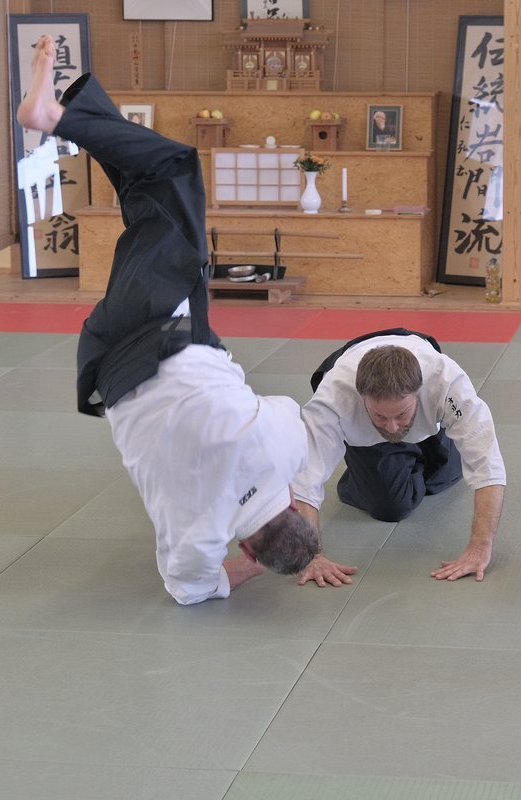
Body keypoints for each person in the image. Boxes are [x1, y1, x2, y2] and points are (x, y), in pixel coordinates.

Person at [17, 35, 318, 604]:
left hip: (168, 331)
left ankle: (56, 116)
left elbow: (295, 426)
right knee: (150, 204)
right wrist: (251, 567)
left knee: (176, 170)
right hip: (109, 364)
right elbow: (191, 590)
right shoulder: (201, 535)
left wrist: (299, 505)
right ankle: (77, 108)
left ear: (297, 509)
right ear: (247, 548)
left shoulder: (284, 448)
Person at [290, 330, 506, 586]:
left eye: (401, 414)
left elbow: (487, 465)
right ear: (361, 399)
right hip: (360, 416)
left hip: (419, 354)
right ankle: (361, 472)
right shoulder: (333, 400)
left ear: (419, 392)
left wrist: (480, 547)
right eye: (380, 416)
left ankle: (419, 442)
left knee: (447, 473)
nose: (391, 428)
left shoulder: (445, 382)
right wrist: (312, 556)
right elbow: (304, 483)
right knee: (391, 506)